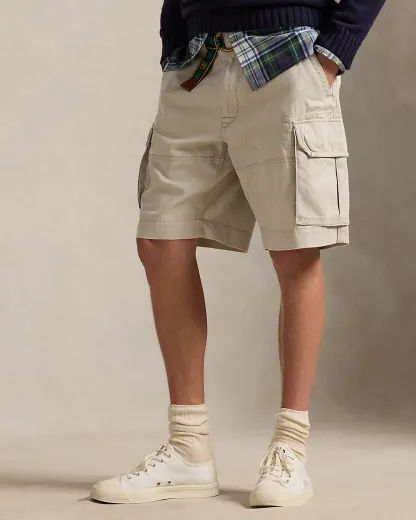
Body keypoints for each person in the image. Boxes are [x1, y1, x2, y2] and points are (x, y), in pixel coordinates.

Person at [91, 0, 385, 508]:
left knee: (295, 247)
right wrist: (174, 39)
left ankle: (290, 449)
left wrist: (334, 52)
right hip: (198, 61)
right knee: (161, 240)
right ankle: (188, 448)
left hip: (288, 55)